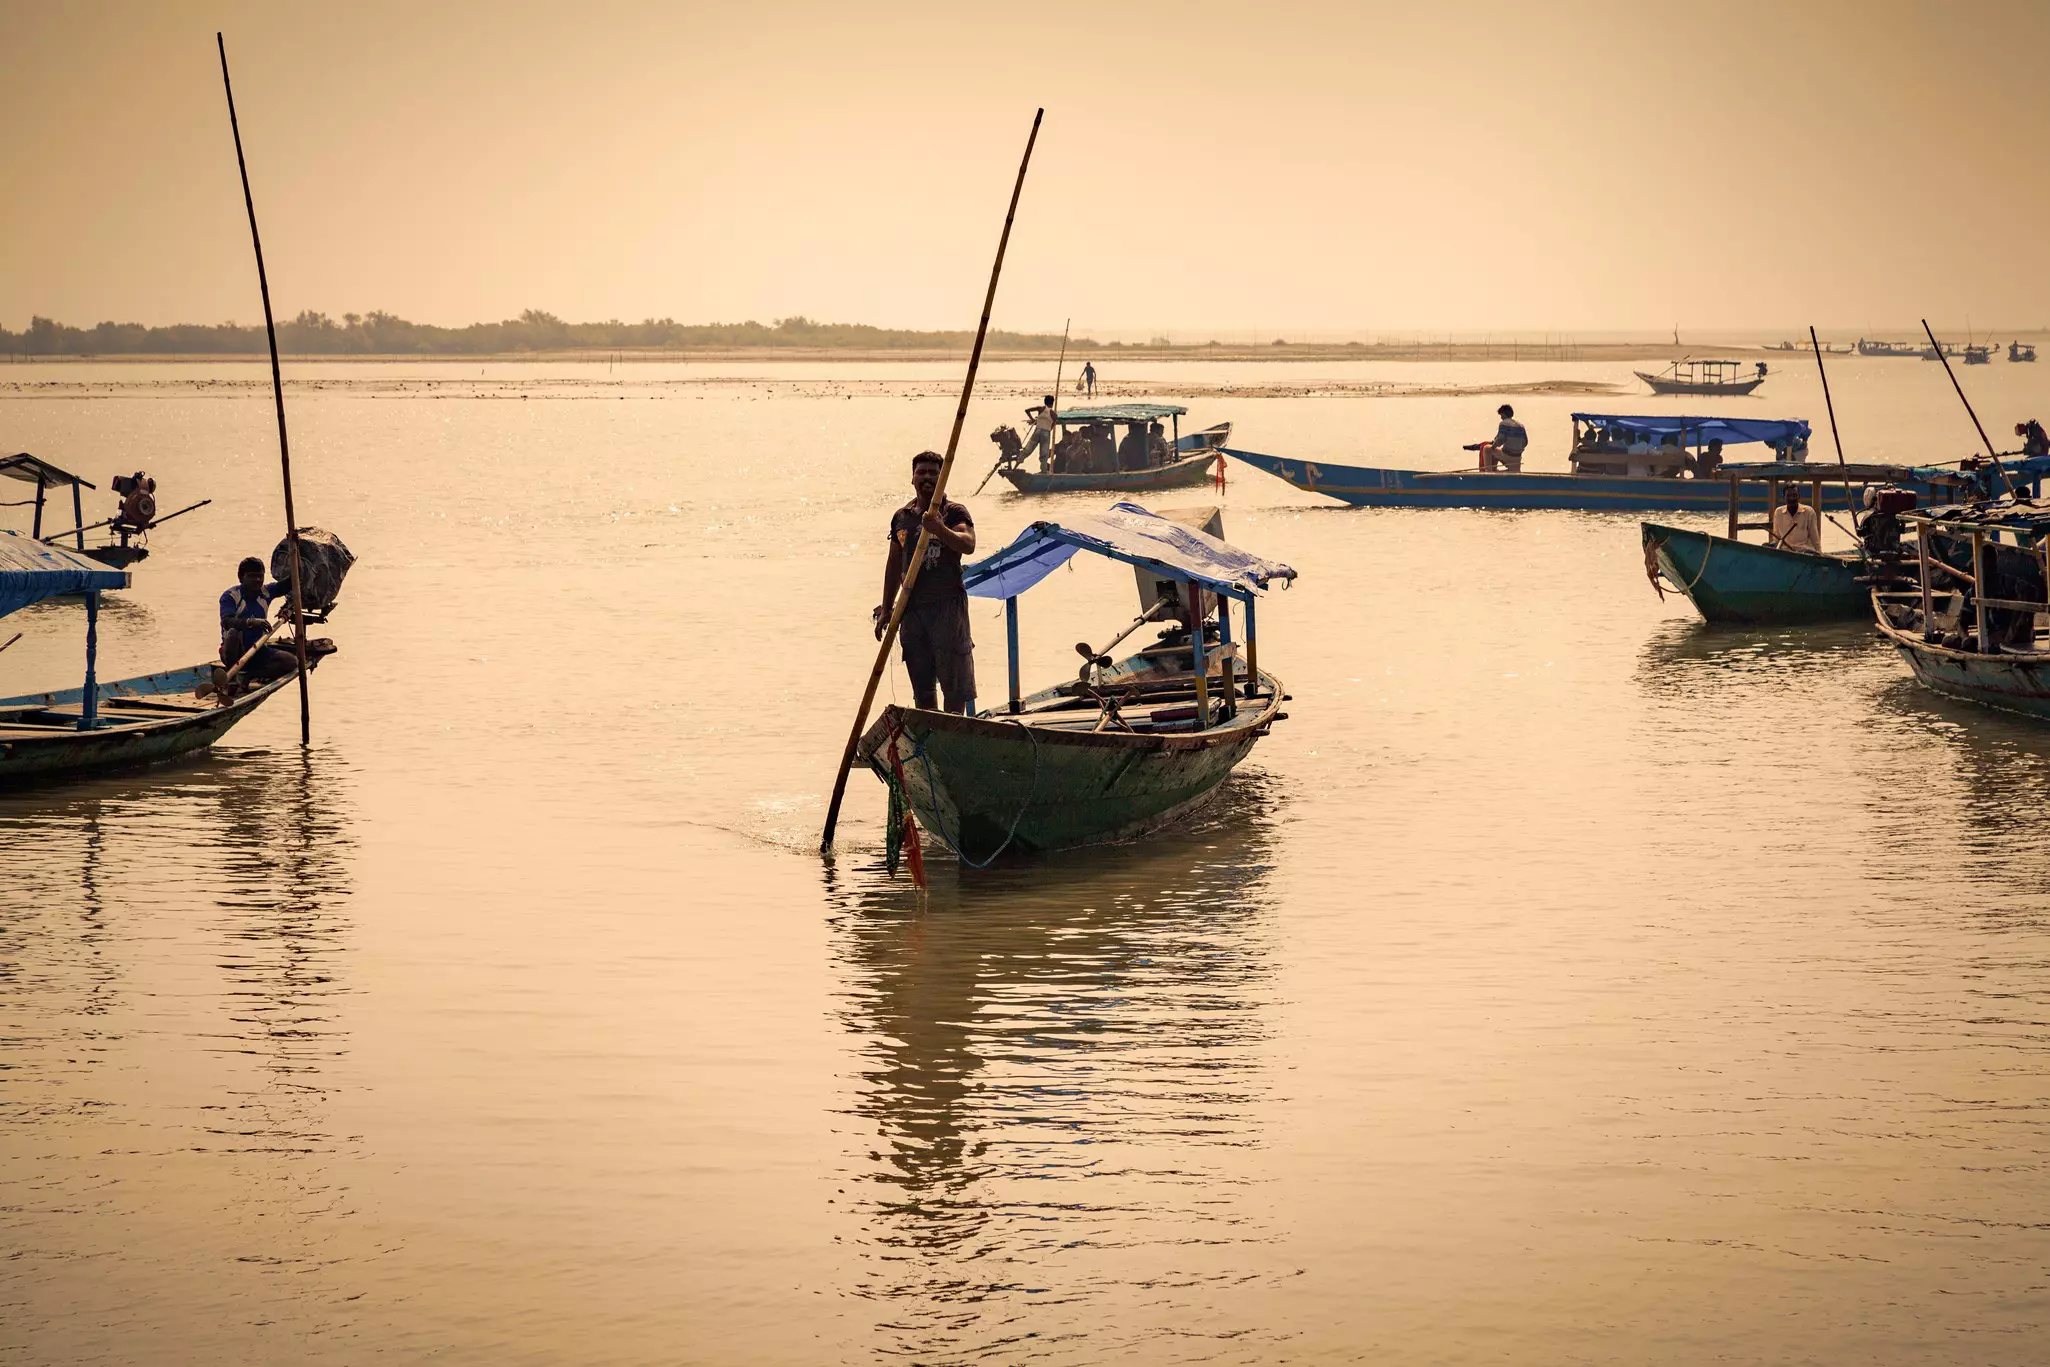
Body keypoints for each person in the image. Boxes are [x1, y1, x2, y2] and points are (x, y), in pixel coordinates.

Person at [876, 451, 977, 714]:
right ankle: (929, 738)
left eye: (934, 473)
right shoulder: (902, 516)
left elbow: (968, 545)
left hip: (947, 607)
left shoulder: (953, 512)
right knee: (923, 689)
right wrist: (887, 609)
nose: (927, 478)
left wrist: (940, 529)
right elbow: (894, 562)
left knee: (955, 687)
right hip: (912, 610)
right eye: (921, 473)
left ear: (943, 479)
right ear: (912, 478)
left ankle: (956, 734)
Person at [218, 555, 298, 683]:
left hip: (257, 650)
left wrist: (298, 563)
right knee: (232, 633)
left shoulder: (266, 592)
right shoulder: (231, 596)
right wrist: (251, 622)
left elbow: (288, 584)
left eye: (260, 576)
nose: (257, 580)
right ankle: (231, 677)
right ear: (241, 577)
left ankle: (248, 676)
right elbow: (227, 622)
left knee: (292, 662)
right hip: (234, 652)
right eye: (252, 576)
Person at [1770, 486, 1820, 553]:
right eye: (1788, 496)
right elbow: (1776, 539)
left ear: (1799, 497)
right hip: (1785, 552)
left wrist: (1819, 554)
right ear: (1784, 497)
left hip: (1805, 552)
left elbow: (1815, 539)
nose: (1792, 498)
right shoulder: (1778, 512)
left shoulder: (1809, 512)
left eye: (1794, 495)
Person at [1483, 403, 1528, 472]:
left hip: (1507, 455)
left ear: (1504, 414)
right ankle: (1498, 471)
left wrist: (1493, 446)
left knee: (1486, 448)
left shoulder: (1503, 423)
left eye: (1501, 415)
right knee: (1512, 472)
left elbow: (1500, 440)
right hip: (1517, 457)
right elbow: (1525, 442)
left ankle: (1488, 472)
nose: (1501, 417)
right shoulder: (1521, 425)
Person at [1020, 395, 1057, 471]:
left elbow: (1027, 410)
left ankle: (1019, 460)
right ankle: (1043, 470)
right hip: (1046, 433)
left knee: (1029, 448)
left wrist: (1033, 419)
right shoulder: (1054, 414)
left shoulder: (1040, 409)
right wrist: (1048, 428)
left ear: (1044, 402)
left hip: (1038, 431)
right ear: (1052, 403)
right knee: (1044, 452)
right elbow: (1052, 426)